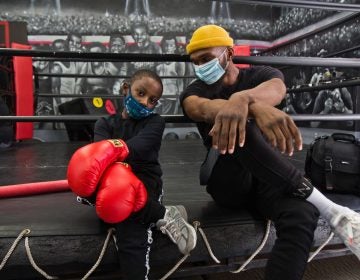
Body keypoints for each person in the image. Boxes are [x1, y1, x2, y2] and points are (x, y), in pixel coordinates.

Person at [180, 24, 360, 280]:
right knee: (239, 124)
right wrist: (253, 108)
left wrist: (243, 100)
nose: (200, 67)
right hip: (229, 181)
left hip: (268, 177)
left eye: (206, 59)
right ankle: (329, 208)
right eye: (195, 62)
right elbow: (205, 109)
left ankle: (315, 206)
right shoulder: (194, 91)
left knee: (302, 213)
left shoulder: (260, 74)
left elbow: (278, 88)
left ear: (229, 53)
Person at [67, 69, 196, 280]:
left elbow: (140, 146)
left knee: (130, 228)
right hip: (111, 179)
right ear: (126, 89)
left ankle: (157, 217)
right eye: (141, 93)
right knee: (86, 187)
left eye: (153, 100)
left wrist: (114, 149)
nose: (146, 102)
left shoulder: (155, 122)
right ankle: (162, 215)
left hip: (145, 181)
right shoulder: (104, 123)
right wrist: (110, 160)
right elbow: (98, 154)